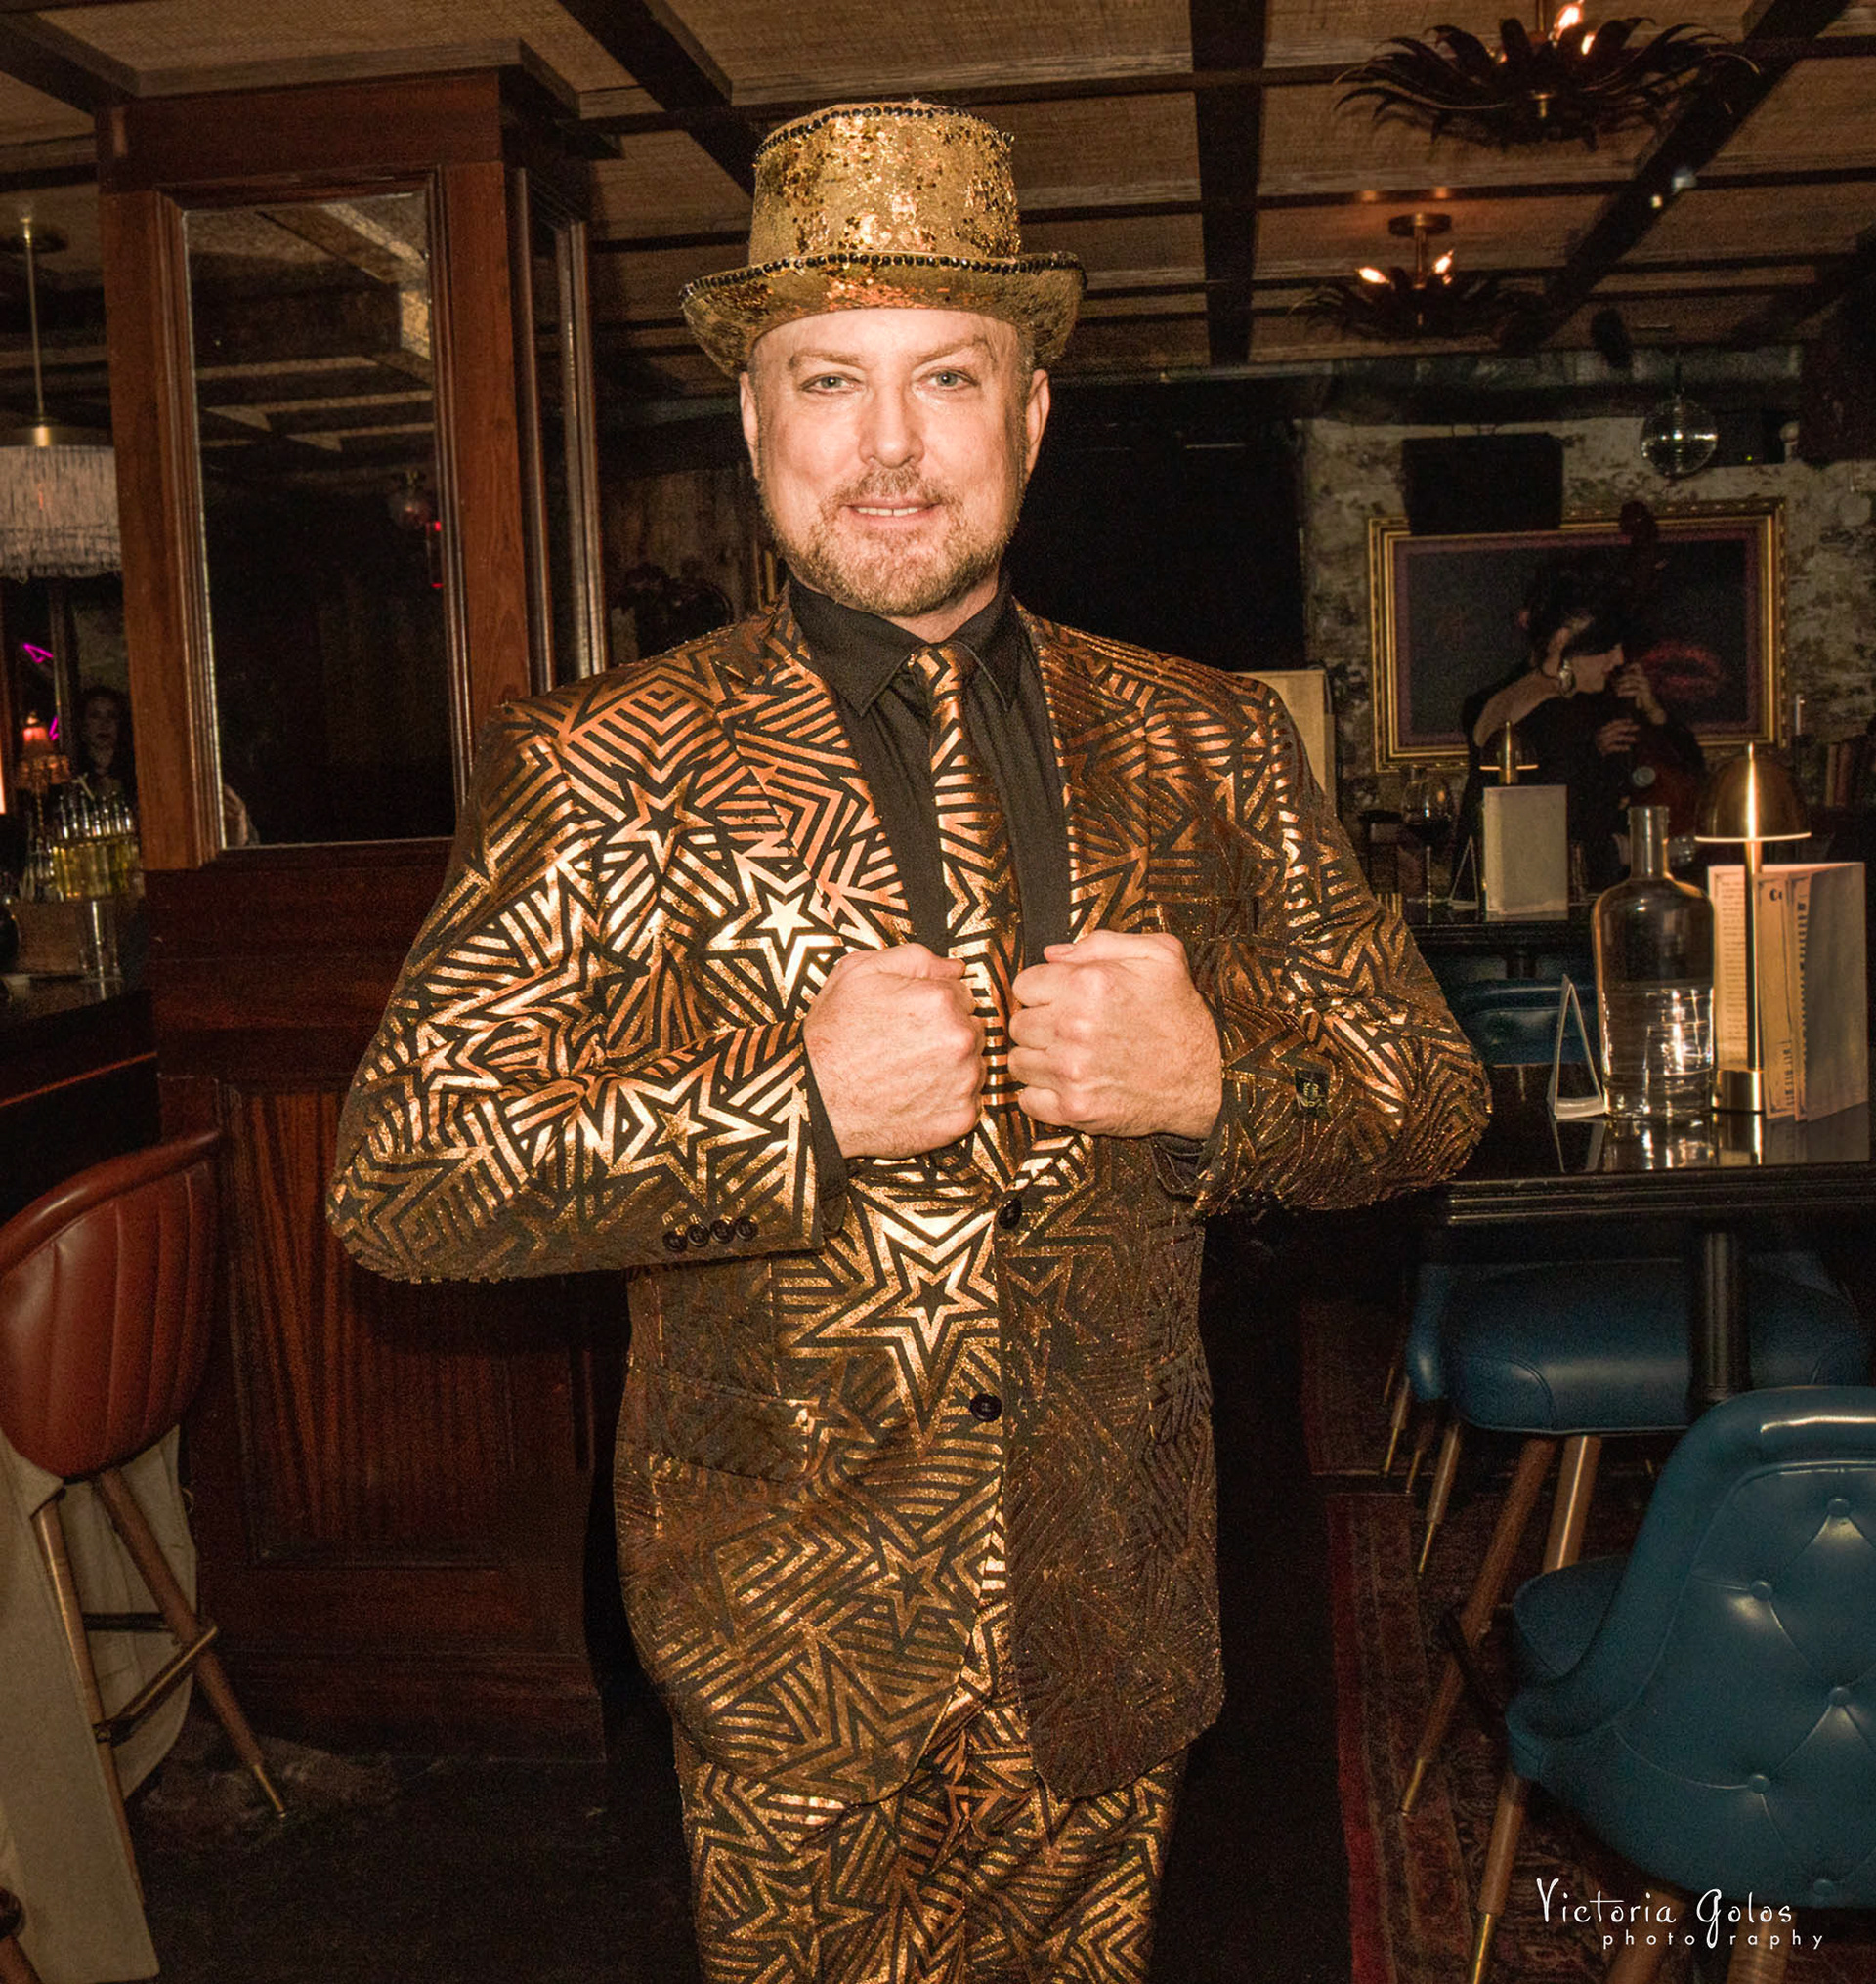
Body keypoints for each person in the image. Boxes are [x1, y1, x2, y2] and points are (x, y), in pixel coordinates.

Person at [327, 101, 1488, 1984]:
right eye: (829, 380)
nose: (889, 444)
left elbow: (1429, 1094)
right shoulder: (602, 764)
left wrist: (1219, 1087)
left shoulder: (1210, 740)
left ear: (1031, 415)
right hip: (786, 1648)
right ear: (753, 421)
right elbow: (403, 1183)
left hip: (1109, 1619)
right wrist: (789, 1110)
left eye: (947, 376)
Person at [1459, 563, 1705, 892]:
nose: (1618, 659)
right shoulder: (1561, 715)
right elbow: (1574, 842)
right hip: (1539, 901)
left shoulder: (1504, 698)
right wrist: (1652, 851)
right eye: (1605, 647)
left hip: (1488, 891)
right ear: (1562, 641)